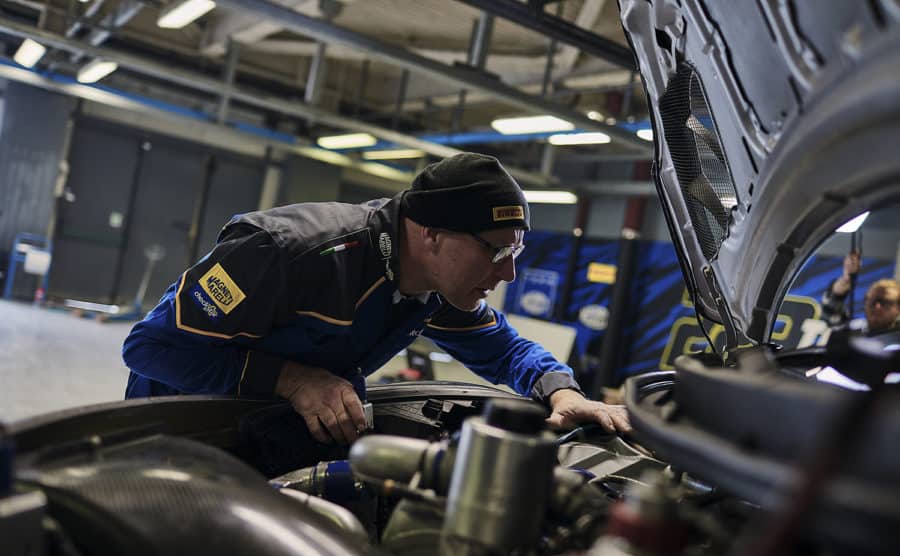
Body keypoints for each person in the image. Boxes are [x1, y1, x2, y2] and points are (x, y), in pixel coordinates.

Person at [122, 152, 630, 445]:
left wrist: (563, 392)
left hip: (266, 432)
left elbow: (507, 350)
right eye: (497, 251)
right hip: (177, 432)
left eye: (516, 252)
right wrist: (295, 379)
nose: (510, 273)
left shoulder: (432, 289)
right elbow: (149, 349)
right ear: (432, 235)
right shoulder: (284, 251)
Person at [822, 250, 900, 334]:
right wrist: (846, 280)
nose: (877, 306)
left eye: (884, 302)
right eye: (871, 301)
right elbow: (831, 313)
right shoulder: (853, 330)